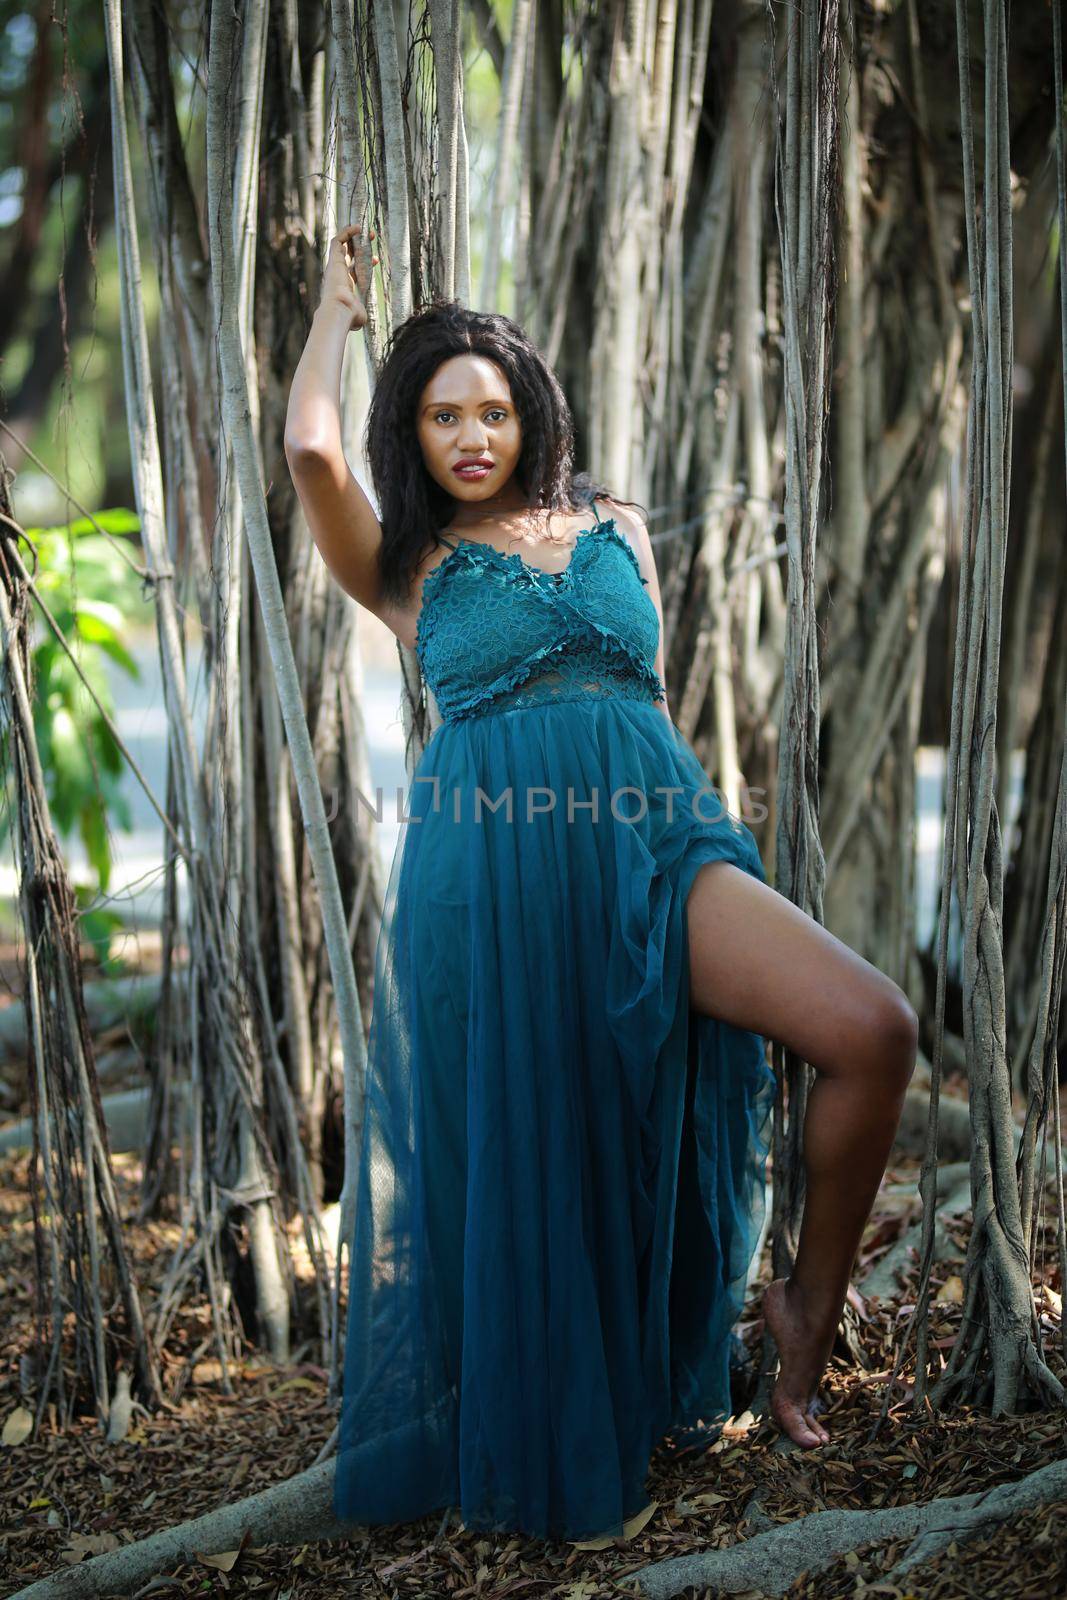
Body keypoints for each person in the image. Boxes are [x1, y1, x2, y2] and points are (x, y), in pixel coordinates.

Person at [284, 225, 918, 1544]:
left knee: (872, 1029)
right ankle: (573, 1411)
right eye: (443, 414)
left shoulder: (613, 523)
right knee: (552, 1156)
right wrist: (336, 318)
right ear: (413, 428)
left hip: (659, 845)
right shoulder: (406, 566)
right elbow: (307, 453)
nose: (471, 434)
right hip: (502, 889)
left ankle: (801, 1307)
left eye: (494, 408)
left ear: (531, 413)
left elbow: (641, 698)